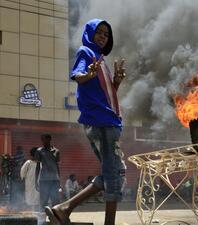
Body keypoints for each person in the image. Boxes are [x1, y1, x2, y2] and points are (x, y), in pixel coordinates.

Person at [45, 18, 127, 225]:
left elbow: (105, 97)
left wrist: (115, 82)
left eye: (106, 34)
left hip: (107, 121)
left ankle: (63, 209)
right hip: (102, 124)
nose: (102, 37)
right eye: (98, 32)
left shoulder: (101, 60)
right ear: (89, 32)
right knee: (114, 176)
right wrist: (87, 73)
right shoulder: (86, 53)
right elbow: (78, 75)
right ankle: (67, 210)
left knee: (114, 174)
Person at [35, 134, 60, 211]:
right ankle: (42, 221)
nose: (42, 141)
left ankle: (55, 219)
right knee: (43, 201)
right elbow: (38, 166)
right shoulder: (39, 151)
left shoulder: (56, 151)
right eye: (42, 139)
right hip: (44, 180)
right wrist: (36, 181)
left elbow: (57, 166)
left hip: (54, 180)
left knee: (55, 201)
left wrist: (59, 180)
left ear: (49, 139)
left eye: (44, 139)